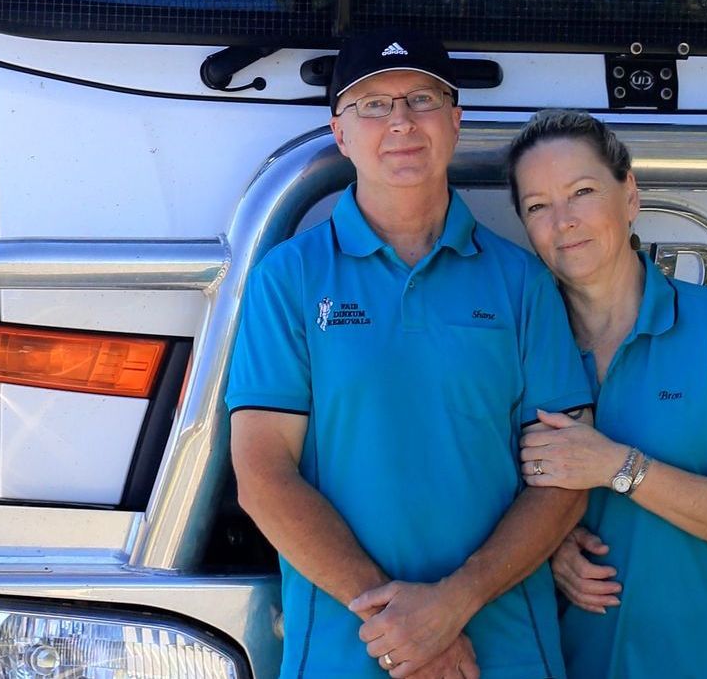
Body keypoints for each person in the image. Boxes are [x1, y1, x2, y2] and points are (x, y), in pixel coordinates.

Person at [228, 33, 594, 679]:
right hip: (347, 654)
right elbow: (263, 476)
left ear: (454, 122)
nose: (400, 121)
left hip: (500, 653)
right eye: (373, 105)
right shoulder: (288, 280)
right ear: (340, 133)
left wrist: (452, 605)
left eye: (421, 99)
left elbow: (565, 477)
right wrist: (400, 627)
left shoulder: (521, 282)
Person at [508, 109, 707, 679]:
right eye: (538, 206)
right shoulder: (519, 351)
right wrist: (547, 545)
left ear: (630, 196)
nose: (564, 221)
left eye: (583, 192)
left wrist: (617, 465)